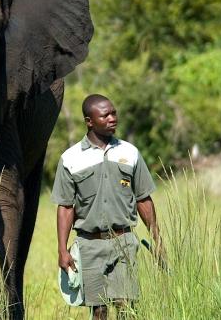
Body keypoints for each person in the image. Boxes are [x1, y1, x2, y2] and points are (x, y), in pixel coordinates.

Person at [52, 94, 165, 319]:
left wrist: (157, 239)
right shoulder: (70, 158)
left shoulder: (130, 153)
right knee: (99, 310)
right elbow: (65, 206)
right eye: (105, 115)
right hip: (89, 245)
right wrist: (62, 249)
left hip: (124, 241)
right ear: (89, 121)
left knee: (127, 307)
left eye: (114, 113)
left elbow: (143, 199)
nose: (113, 118)